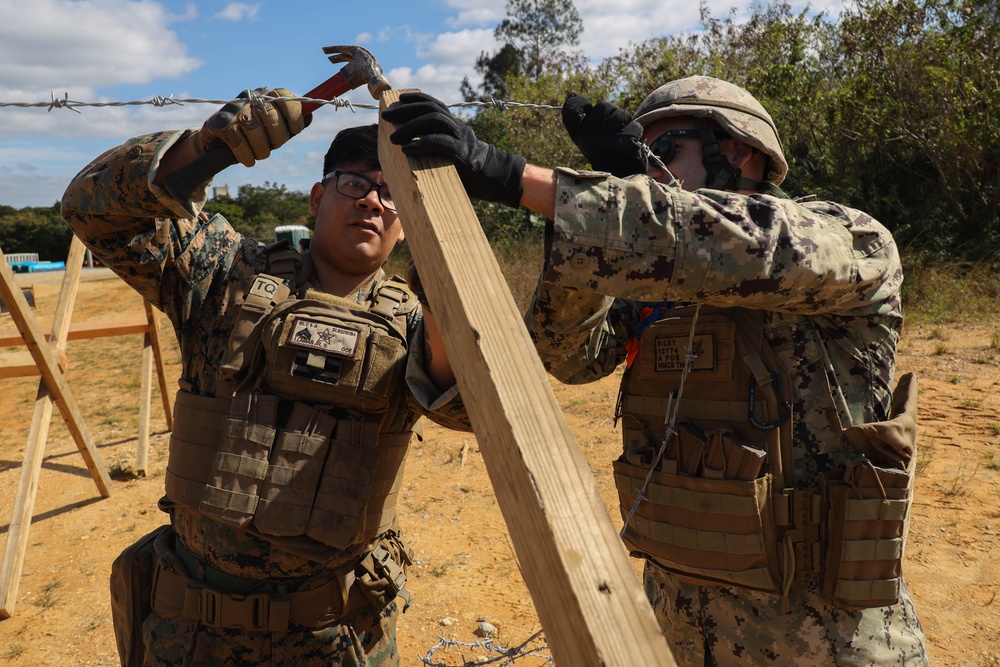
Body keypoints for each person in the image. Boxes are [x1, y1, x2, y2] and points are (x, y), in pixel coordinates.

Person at [382, 76, 928, 665]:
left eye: (663, 153)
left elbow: (729, 241)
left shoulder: (847, 240)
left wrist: (515, 176)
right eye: (640, 160)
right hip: (680, 630)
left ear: (739, 152)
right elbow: (567, 354)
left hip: (826, 641)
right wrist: (595, 214)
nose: (647, 175)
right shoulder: (657, 291)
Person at [62, 87, 470, 667]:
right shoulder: (224, 271)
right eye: (354, 184)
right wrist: (209, 149)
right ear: (316, 197)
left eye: (391, 195)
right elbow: (89, 209)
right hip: (191, 632)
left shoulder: (416, 319)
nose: (373, 203)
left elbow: (460, 413)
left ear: (405, 227)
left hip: (340, 635)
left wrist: (445, 284)